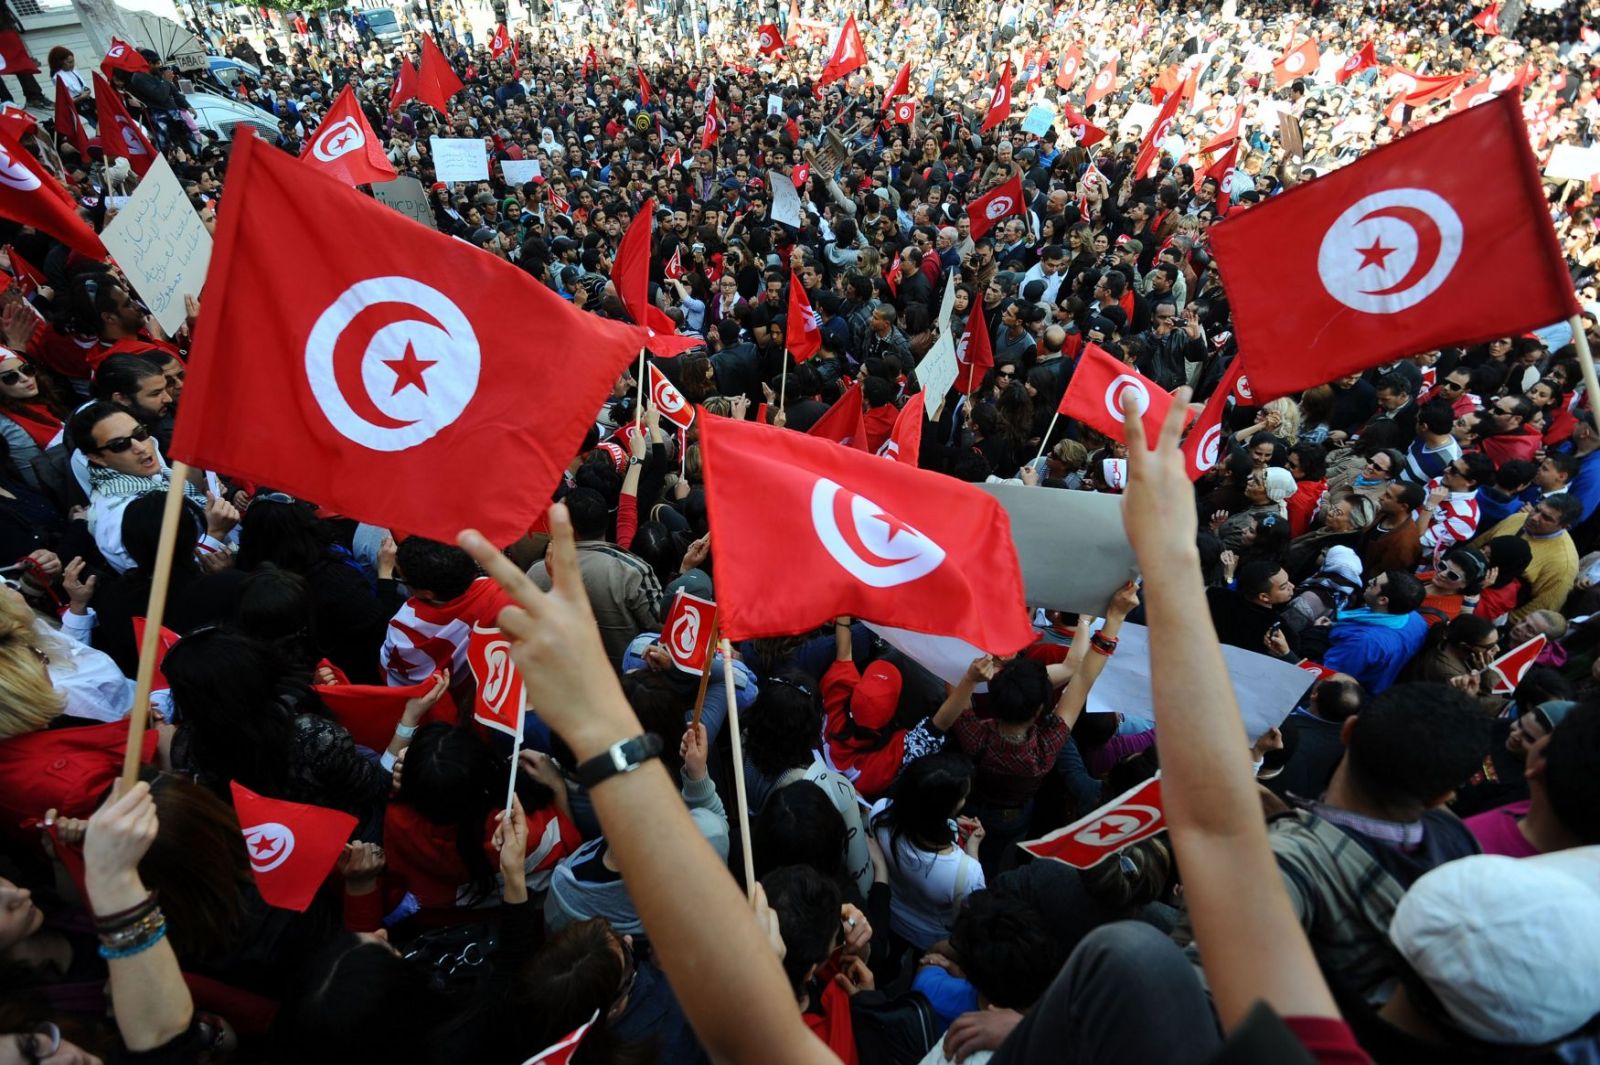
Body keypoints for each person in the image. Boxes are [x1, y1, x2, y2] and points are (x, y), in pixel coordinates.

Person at [68, 402, 236, 575]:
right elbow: (163, 580)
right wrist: (214, 532)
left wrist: (205, 501)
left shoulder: (150, 475)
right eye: (120, 445)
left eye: (140, 434)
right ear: (97, 458)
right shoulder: (119, 517)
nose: (141, 448)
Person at [869, 751, 986, 951]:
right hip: (931, 939)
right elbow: (975, 911)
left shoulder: (880, 813)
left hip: (889, 913)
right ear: (946, 808)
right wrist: (972, 849)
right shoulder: (966, 873)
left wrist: (950, 824)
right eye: (962, 797)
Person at [1462, 700, 1598, 858]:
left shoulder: (1524, 791)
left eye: (1528, 738)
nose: (1515, 735)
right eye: (1519, 724)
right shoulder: (1500, 728)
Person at [1471, 494, 1581, 623]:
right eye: (1537, 509)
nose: (1534, 517)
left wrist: (1498, 624)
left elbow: (1540, 610)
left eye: (1546, 518)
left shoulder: (1564, 564)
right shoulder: (1518, 519)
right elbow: (1476, 545)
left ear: (1564, 526)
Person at [1320, 570, 1429, 694]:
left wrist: (1316, 633)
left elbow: (1327, 675)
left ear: (1382, 600)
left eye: (1374, 583)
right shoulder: (1416, 619)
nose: (1369, 581)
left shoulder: (1363, 642)